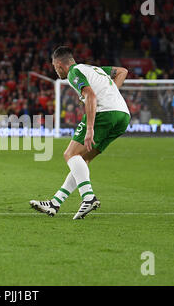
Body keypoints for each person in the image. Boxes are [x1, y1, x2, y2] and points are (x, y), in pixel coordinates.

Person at [30, 46, 130, 220]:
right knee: (83, 159)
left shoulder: (73, 72)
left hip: (104, 113)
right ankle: (55, 202)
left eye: (54, 67)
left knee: (70, 154)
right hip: (123, 115)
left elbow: (90, 95)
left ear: (60, 64)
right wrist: (111, 92)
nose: (56, 71)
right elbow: (122, 71)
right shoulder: (93, 69)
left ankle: (88, 197)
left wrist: (90, 128)